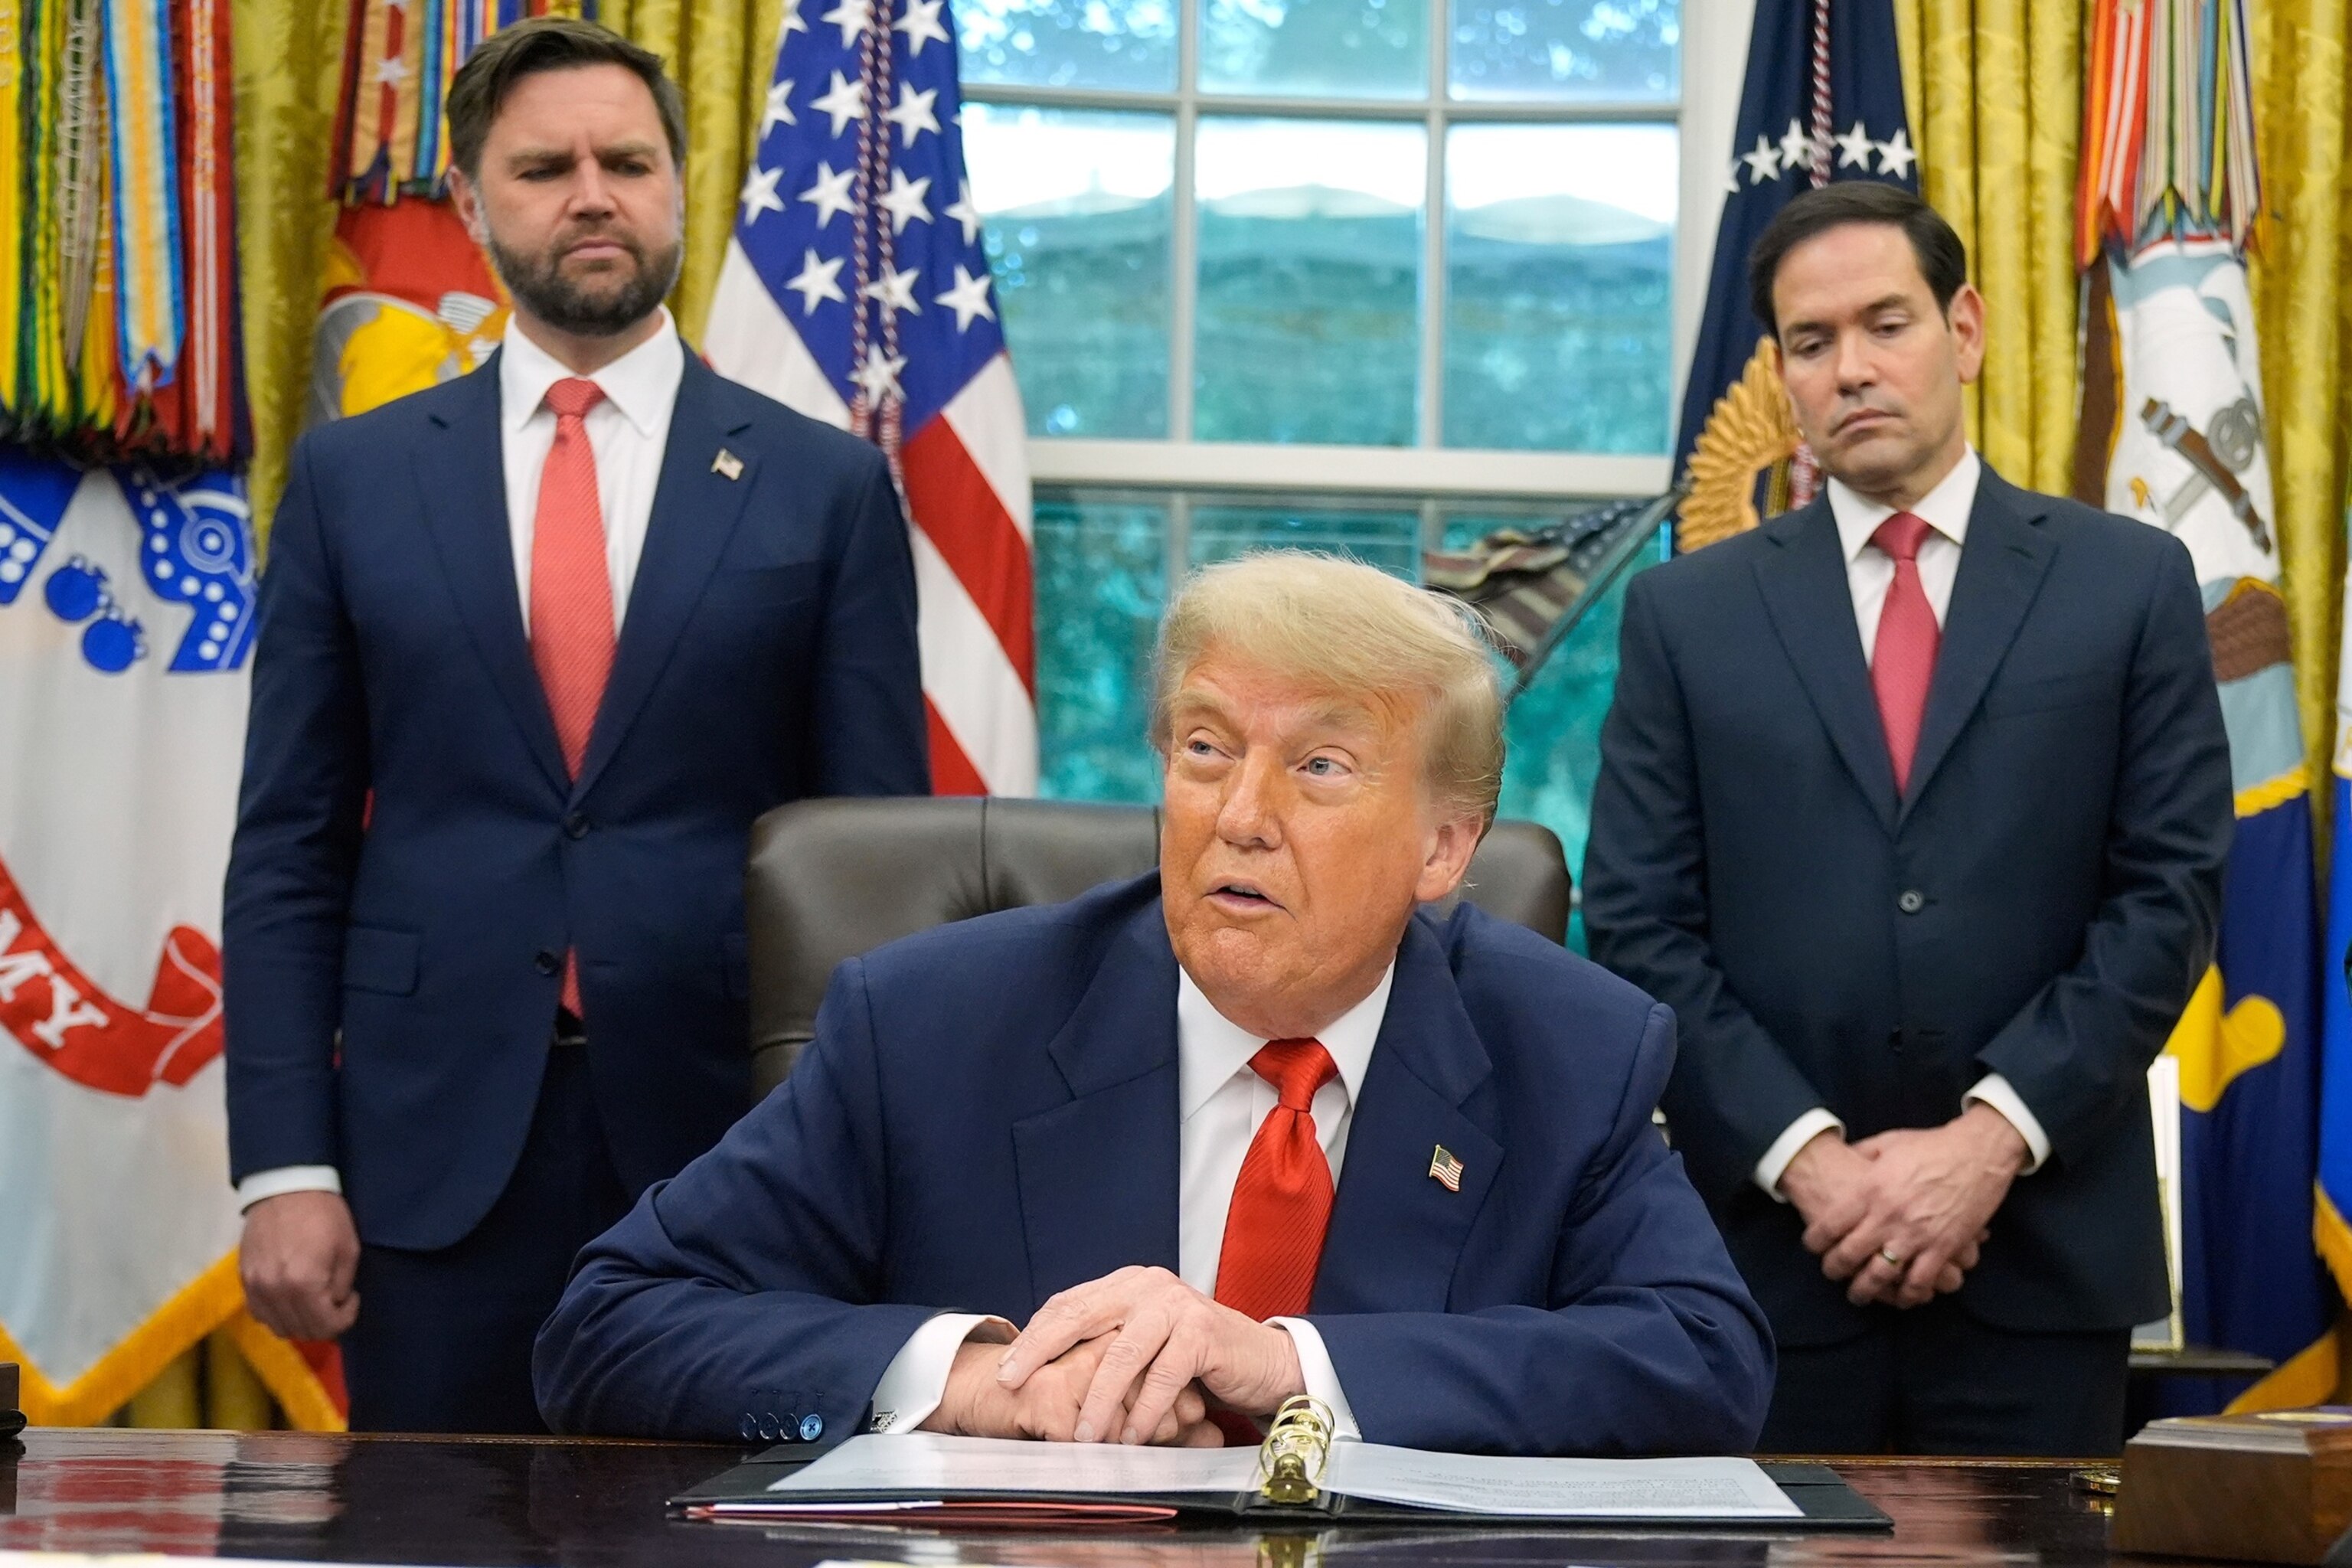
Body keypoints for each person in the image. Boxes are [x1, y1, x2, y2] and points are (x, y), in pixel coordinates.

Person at [533, 552, 1773, 1453]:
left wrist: (1288, 1366)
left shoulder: (1572, 1047)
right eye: (1206, 747)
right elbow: (611, 1327)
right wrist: (975, 1381)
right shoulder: (930, 1026)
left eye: (1321, 767)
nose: (1241, 815)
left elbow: (1704, 1361)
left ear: (1446, 850)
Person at [224, 18, 929, 1432]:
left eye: (628, 159)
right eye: (545, 167)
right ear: (477, 205)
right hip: (428, 1158)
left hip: (736, 1147)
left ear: (683, 187)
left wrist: (879, 1162)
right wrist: (284, 1169)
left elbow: (876, 869)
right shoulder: (356, 482)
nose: (592, 192)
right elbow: (290, 849)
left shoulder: (825, 489)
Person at [1583, 181, 2231, 1455]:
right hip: (1768, 1267)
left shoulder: (2130, 584)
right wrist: (1814, 1163)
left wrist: (1987, 1145)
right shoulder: (1687, 616)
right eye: (1812, 342)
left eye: (1888, 323)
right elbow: (1640, 924)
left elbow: (2171, 895)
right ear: (1781, 373)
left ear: (1968, 330)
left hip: (2043, 1267)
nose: (1853, 367)